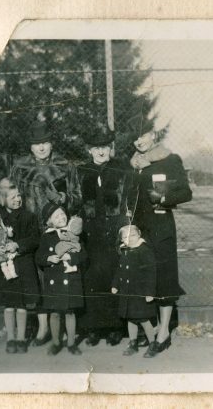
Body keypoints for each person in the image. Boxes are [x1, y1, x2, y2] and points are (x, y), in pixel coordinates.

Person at [11, 118, 82, 346]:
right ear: (30, 146)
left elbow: (77, 198)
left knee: (59, 276)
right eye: (36, 143)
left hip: (57, 231)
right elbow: (10, 198)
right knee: (36, 278)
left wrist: (61, 198)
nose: (41, 147)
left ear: (51, 144)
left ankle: (63, 329)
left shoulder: (65, 166)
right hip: (31, 230)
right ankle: (43, 329)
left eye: (45, 142)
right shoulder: (20, 168)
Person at [127, 127, 192, 354]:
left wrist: (163, 198)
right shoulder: (134, 163)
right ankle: (150, 330)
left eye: (142, 135)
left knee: (164, 278)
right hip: (139, 231)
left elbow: (186, 192)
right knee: (145, 279)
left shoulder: (170, 159)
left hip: (162, 228)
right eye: (135, 137)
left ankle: (163, 332)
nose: (138, 141)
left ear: (153, 136)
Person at [76, 125, 130, 346]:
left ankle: (115, 326)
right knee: (91, 277)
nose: (100, 152)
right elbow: (74, 200)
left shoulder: (120, 170)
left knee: (112, 276)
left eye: (105, 147)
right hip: (90, 231)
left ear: (110, 148)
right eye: (96, 148)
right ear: (89, 150)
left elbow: (127, 200)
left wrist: (124, 226)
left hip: (113, 229)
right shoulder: (80, 171)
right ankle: (93, 328)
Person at [0, 186, 40, 354]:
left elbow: (35, 238)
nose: (17, 200)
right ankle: (11, 339)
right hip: (4, 265)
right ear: (4, 200)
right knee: (8, 304)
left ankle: (21, 339)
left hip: (24, 264)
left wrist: (18, 244)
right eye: (12, 197)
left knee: (21, 304)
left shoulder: (29, 217)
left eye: (19, 196)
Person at [35, 203, 85, 356]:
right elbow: (38, 257)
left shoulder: (73, 233)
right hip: (54, 279)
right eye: (57, 216)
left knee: (70, 312)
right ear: (49, 220)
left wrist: (71, 256)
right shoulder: (46, 236)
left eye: (63, 214)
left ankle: (71, 343)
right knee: (55, 313)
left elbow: (84, 255)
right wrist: (49, 258)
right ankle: (56, 342)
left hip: (70, 278)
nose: (61, 217)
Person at [112, 225, 158, 358]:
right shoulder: (125, 250)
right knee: (130, 318)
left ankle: (152, 343)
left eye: (132, 235)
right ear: (121, 240)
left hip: (140, 292)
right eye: (125, 236)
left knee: (143, 319)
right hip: (127, 292)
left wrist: (150, 292)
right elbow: (120, 270)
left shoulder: (144, 250)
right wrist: (115, 284)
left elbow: (151, 273)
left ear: (139, 234)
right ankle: (133, 343)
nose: (130, 238)